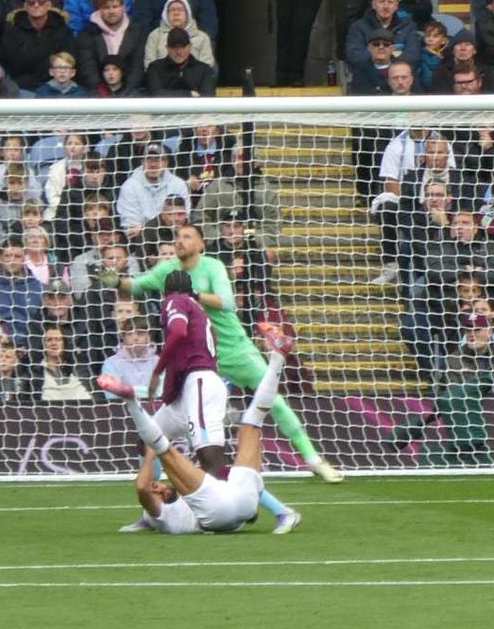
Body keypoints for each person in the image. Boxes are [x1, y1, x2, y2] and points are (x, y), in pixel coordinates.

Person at [105, 222, 343, 482]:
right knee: (184, 411)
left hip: (234, 348)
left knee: (273, 400)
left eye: (187, 236)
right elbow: (136, 285)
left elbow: (228, 303)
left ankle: (314, 459)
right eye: (178, 237)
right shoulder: (167, 270)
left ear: (201, 245)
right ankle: (176, 475)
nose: (180, 241)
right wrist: (115, 281)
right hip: (199, 356)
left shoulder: (213, 266)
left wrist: (194, 294)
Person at [137, 266, 298, 532]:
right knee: (147, 440)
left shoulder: (175, 301)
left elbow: (177, 332)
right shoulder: (200, 311)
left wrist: (158, 372)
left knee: (211, 462)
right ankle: (151, 515)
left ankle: (282, 511)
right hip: (189, 389)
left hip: (198, 385)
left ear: (166, 291)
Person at [101, 327, 292, 536]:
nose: (157, 486)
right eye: (155, 491)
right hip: (221, 509)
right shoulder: (165, 515)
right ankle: (277, 359)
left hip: (240, 505)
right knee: (251, 421)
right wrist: (150, 456)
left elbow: (145, 489)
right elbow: (142, 488)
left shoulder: (168, 509)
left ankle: (277, 359)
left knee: (250, 424)